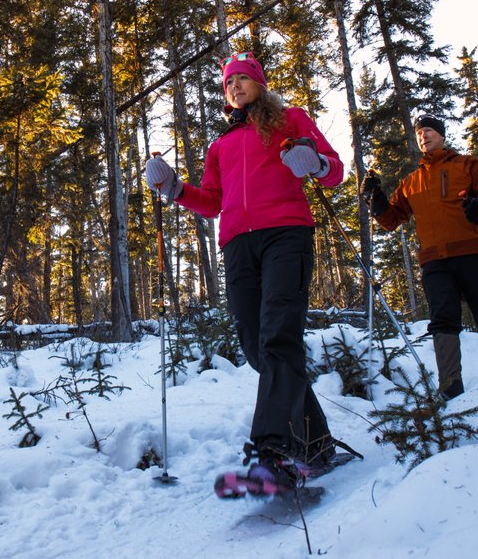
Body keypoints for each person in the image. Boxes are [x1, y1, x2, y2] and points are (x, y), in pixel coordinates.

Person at [145, 51, 354, 497]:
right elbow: (212, 202)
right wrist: (174, 187)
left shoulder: (290, 119)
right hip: (238, 245)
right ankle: (316, 448)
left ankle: (272, 454)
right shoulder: (220, 145)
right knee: (260, 350)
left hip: (285, 235)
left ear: (259, 83)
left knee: (279, 338)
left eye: (242, 78)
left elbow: (334, 171)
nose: (235, 86)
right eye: (228, 82)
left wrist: (313, 163)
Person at [360, 115, 478, 401]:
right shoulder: (411, 181)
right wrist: (376, 200)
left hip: (474, 251)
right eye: (419, 133)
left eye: (428, 131)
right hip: (434, 260)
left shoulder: (467, 165)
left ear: (441, 135)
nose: (423, 136)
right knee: (442, 319)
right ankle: (450, 387)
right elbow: (391, 219)